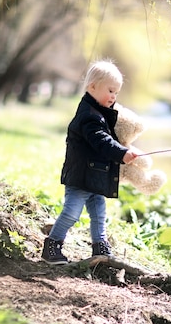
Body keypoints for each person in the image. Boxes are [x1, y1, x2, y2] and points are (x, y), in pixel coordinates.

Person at [42, 60, 138, 265]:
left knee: (98, 214)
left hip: (95, 175)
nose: (113, 96)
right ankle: (52, 245)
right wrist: (121, 154)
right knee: (71, 213)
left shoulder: (100, 113)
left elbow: (109, 139)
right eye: (110, 90)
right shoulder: (89, 116)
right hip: (81, 176)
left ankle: (100, 246)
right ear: (92, 86)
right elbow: (101, 141)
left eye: (117, 93)